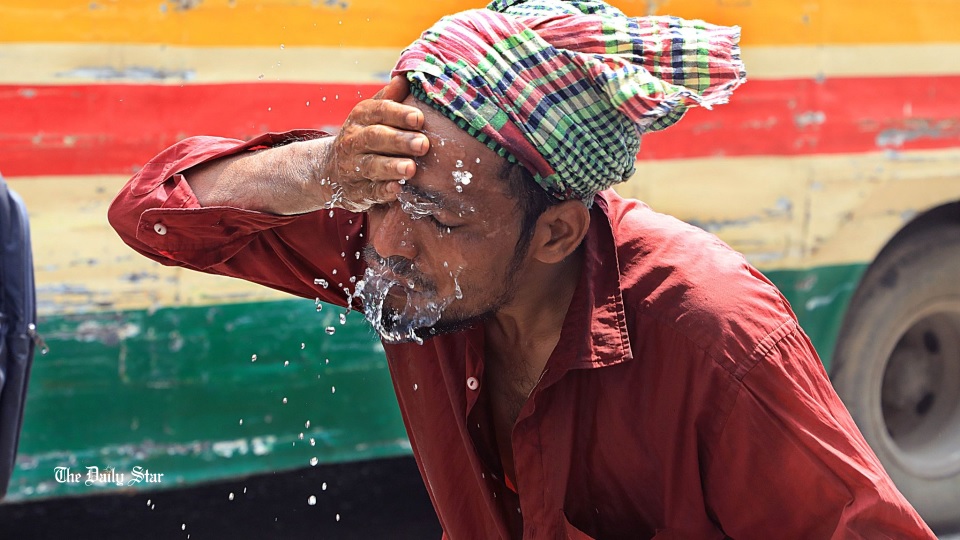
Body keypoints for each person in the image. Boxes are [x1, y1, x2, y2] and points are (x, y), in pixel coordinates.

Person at [108, 0, 935, 537]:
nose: (386, 241)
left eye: (435, 216)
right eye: (374, 195)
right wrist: (321, 169)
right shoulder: (403, 245)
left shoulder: (715, 335)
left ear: (558, 233)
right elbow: (154, 218)